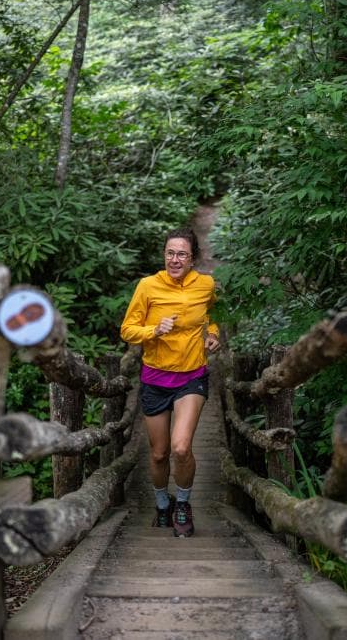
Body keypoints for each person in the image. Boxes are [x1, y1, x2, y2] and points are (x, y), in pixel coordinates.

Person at [120, 227, 220, 538]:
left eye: (182, 254)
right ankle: (163, 503)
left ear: (193, 259)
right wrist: (153, 330)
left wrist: (213, 334)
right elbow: (127, 329)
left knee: (180, 447)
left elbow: (212, 314)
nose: (175, 259)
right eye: (170, 253)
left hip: (191, 375)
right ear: (164, 255)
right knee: (159, 453)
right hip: (155, 378)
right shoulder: (148, 286)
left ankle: (183, 504)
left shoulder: (205, 285)